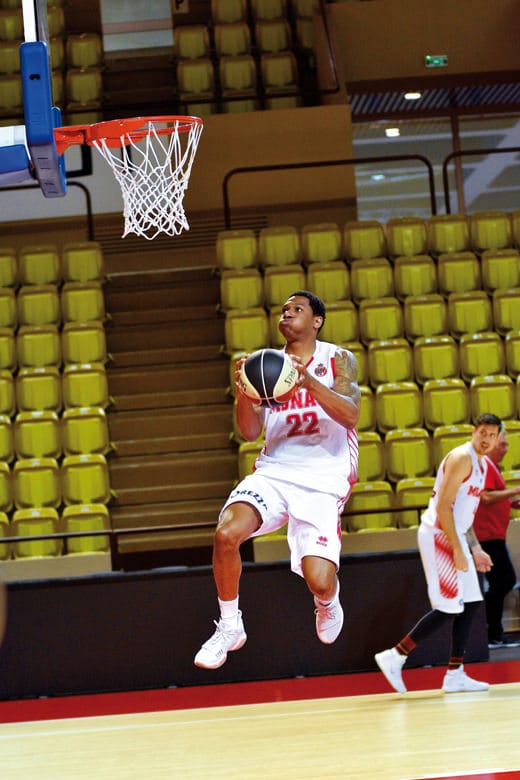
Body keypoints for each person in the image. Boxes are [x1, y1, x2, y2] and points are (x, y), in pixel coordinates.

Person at [194, 290, 361, 669]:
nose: (286, 314)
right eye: (284, 310)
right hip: (276, 469)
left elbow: (350, 415)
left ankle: (327, 601)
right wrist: (242, 393)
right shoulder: (264, 364)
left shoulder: (338, 359)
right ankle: (230, 626)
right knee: (225, 534)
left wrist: (309, 383)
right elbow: (250, 432)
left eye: (297, 309)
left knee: (319, 579)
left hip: (323, 476)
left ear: (316, 320)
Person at [375, 413, 501, 694]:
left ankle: (455, 674)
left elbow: (464, 514)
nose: (486, 439)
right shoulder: (462, 458)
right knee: (448, 607)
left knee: (470, 603)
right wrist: (458, 549)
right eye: (483, 433)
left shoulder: (483, 464)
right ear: (473, 432)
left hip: (455, 536)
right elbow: (444, 507)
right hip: (438, 536)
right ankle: (395, 655)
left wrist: (476, 548)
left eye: (492, 435)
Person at [473, 428, 520, 648]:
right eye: (503, 444)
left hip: (493, 534)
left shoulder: (490, 467)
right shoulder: (485, 465)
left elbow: (493, 497)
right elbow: (485, 497)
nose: (506, 449)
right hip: (488, 535)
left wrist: (510, 503)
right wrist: (515, 491)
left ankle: (492, 633)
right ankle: (492, 633)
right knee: (505, 580)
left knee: (500, 582)